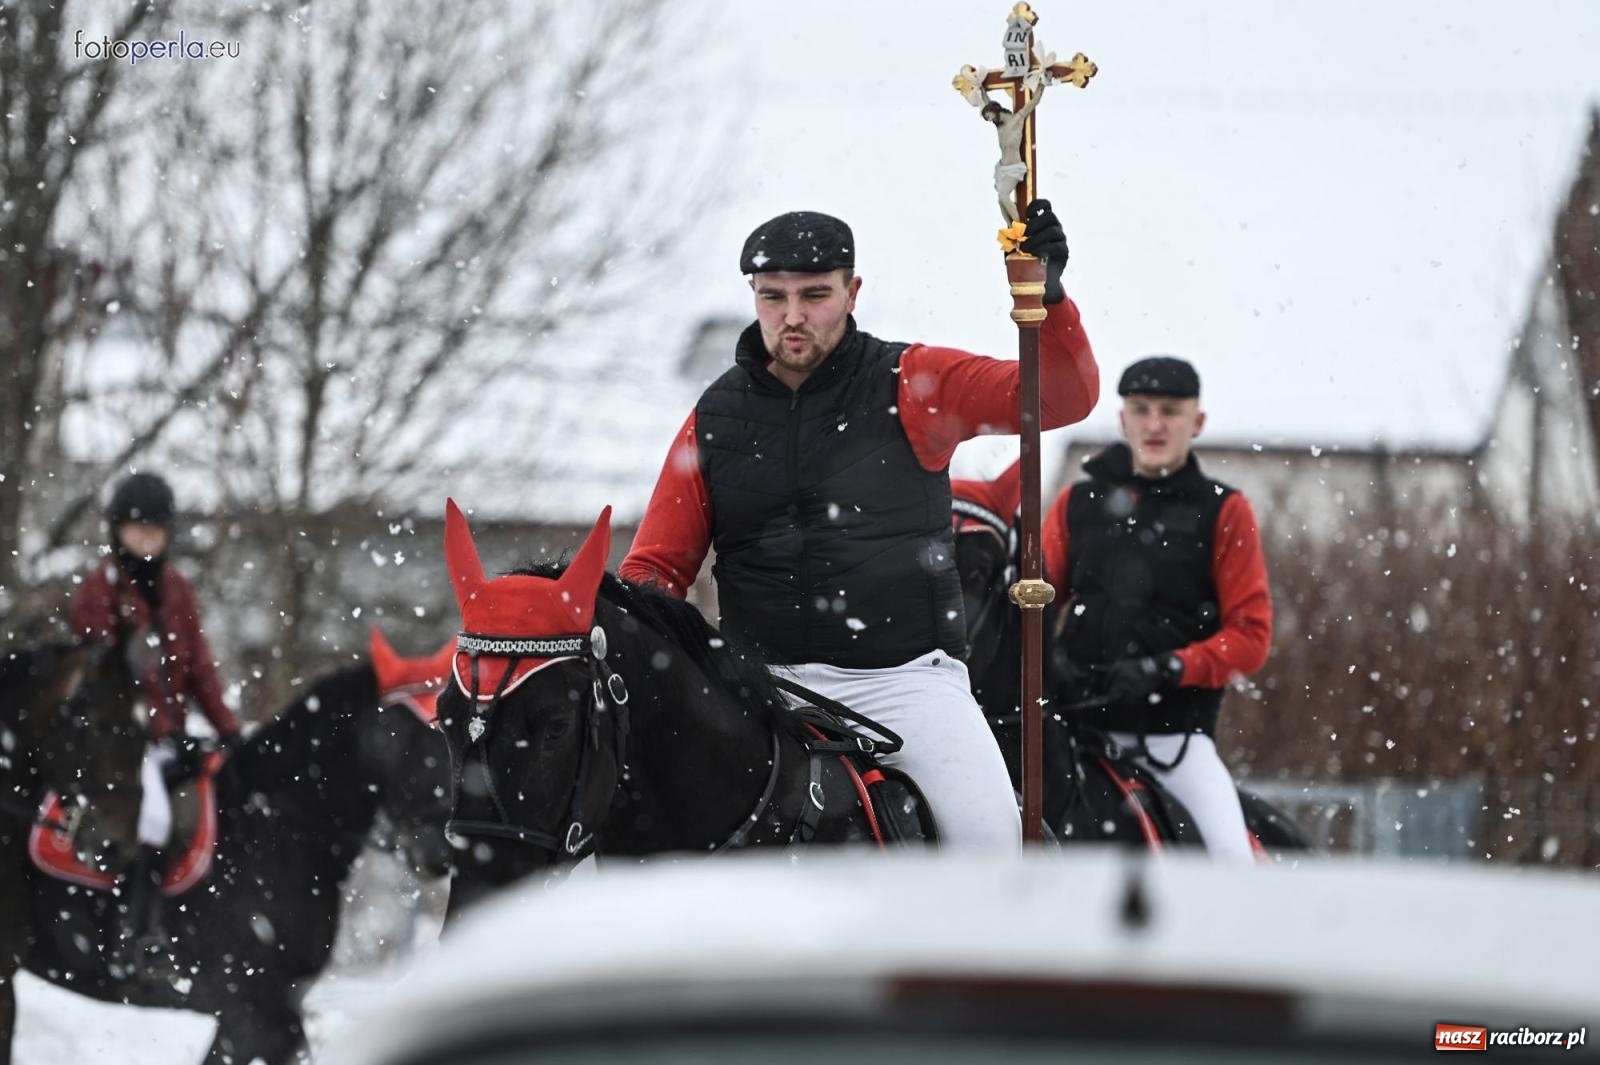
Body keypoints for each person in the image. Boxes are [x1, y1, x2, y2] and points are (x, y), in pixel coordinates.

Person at [620, 203, 1098, 851]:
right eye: (773, 296)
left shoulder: (915, 381)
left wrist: (1050, 297)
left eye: (815, 295)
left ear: (853, 291)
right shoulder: (714, 417)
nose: (792, 315)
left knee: (993, 849)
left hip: (905, 685)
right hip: (760, 689)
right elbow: (654, 572)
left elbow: (1062, 396)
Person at [1042, 357, 1272, 861]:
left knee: (1231, 861)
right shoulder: (1075, 504)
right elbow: (1031, 607)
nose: (1154, 424)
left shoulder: (1225, 511)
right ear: (1122, 419)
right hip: (1073, 735)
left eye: (1170, 411)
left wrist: (1170, 668)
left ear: (1198, 421)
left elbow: (1251, 637)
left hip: (1174, 743)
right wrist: (1047, 667)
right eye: (1141, 409)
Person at [68, 471, 241, 964]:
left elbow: (200, 668)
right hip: (118, 738)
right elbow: (110, 682)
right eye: (136, 528)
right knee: (155, 813)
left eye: (155, 529)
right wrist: (159, 731)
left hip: (170, 735)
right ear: (117, 530)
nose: (146, 538)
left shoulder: (178, 589)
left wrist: (229, 729)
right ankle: (137, 929)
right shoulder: (98, 592)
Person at [982, 80, 1047, 224]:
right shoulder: (998, 126)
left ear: (995, 110)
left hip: (1014, 168)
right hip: (1002, 168)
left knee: (1003, 196)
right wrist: (981, 87)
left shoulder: (1017, 119)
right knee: (1000, 200)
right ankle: (1010, 227)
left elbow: (1033, 102)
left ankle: (1019, 225)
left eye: (989, 116)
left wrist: (1042, 84)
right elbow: (986, 101)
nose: (990, 120)